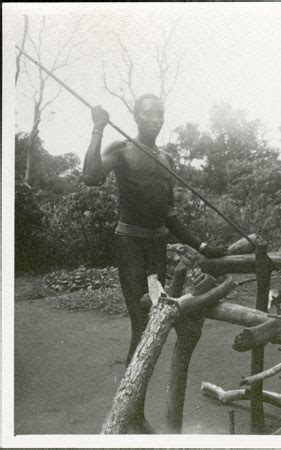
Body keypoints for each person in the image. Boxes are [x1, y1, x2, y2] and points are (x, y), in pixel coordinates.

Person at [82, 94, 226, 432]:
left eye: (159, 114)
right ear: (136, 116)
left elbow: (170, 217)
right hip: (130, 243)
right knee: (142, 323)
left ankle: (134, 408)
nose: (155, 120)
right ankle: (131, 410)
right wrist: (97, 129)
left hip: (157, 246)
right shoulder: (121, 149)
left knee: (153, 322)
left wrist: (203, 245)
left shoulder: (166, 159)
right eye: (148, 114)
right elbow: (90, 177)